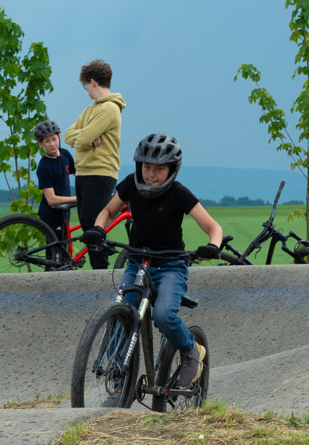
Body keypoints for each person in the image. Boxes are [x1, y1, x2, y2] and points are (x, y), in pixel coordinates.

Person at [80, 133, 223, 388]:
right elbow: (108, 211)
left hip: (170, 266)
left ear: (172, 169)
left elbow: (214, 227)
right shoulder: (131, 185)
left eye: (159, 168)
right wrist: (99, 229)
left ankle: (191, 350)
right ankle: (117, 368)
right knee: (123, 310)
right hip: (137, 264)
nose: (151, 174)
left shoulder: (179, 194)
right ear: (138, 166)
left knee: (164, 315)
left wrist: (212, 246)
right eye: (147, 167)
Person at [64, 59, 127, 269]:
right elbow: (68, 135)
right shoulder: (91, 109)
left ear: (92, 82)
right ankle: (98, 270)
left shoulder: (109, 108)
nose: (86, 90)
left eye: (85, 85)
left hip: (100, 172)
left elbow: (79, 140)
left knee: (93, 226)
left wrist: (85, 138)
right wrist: (88, 137)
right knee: (87, 223)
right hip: (83, 172)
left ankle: (100, 275)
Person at [33, 119, 76, 242]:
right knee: (56, 255)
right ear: (40, 144)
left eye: (54, 139)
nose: (52, 144)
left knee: (64, 249)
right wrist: (79, 198)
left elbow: (78, 174)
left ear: (59, 137)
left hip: (64, 212)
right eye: (47, 141)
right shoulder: (44, 167)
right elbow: (51, 200)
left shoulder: (66, 154)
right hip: (51, 215)